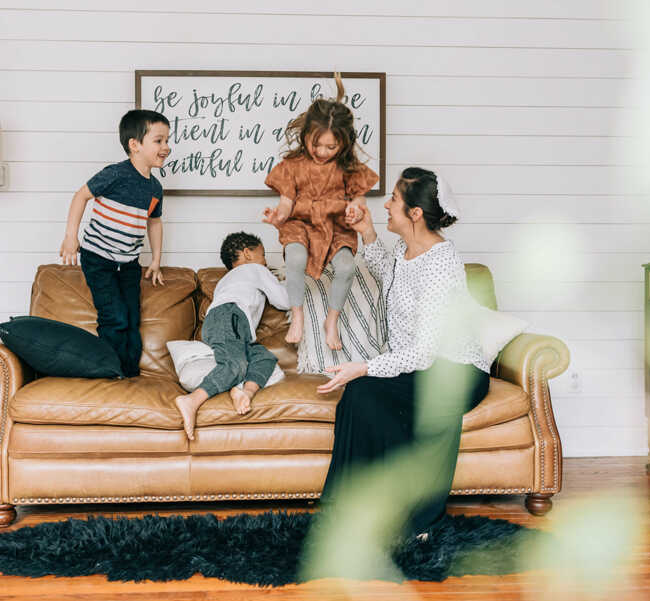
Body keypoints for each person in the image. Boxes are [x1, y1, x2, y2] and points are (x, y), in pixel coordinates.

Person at [317, 167, 492, 540]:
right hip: (424, 365)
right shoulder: (407, 248)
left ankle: (411, 521)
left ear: (415, 213)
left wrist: (364, 366)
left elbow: (425, 353)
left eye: (394, 199)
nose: (386, 204)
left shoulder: (442, 263)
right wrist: (366, 230)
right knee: (362, 396)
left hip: (455, 371)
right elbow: (390, 273)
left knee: (370, 389)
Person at [262, 73, 379, 351]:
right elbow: (287, 204)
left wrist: (354, 210)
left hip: (336, 226)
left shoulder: (349, 168)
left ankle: (332, 320)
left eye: (331, 146)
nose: (322, 151)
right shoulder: (291, 165)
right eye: (316, 144)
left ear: (344, 143)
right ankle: (298, 315)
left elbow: (359, 202)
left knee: (347, 267)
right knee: (295, 258)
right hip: (299, 223)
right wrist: (277, 217)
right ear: (305, 137)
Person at [59, 109, 170, 377]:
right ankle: (108, 371)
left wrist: (155, 260)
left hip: (129, 262)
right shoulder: (116, 175)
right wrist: (71, 237)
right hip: (99, 259)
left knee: (132, 319)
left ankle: (128, 375)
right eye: (159, 141)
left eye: (167, 140)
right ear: (135, 145)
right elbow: (80, 196)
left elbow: (154, 222)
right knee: (115, 317)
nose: (166, 147)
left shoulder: (154, 188)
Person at [175, 232, 290, 441]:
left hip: (231, 327)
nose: (265, 261)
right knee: (235, 364)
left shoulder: (228, 280)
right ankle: (192, 400)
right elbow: (284, 300)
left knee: (264, 358)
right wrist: (293, 279)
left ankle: (245, 393)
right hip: (229, 317)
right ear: (248, 254)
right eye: (263, 255)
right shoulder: (254, 269)